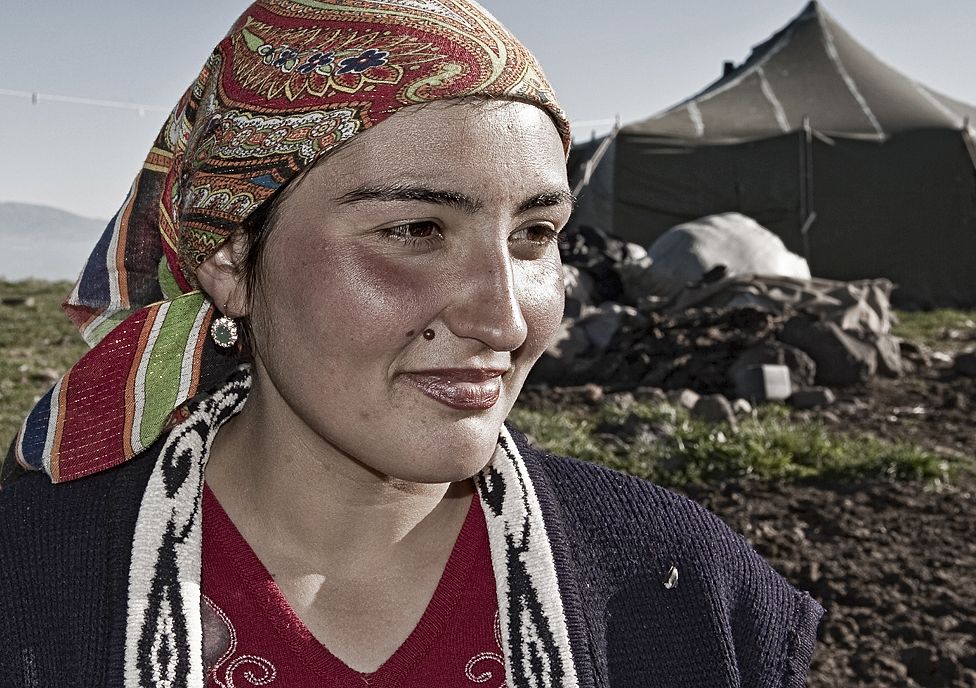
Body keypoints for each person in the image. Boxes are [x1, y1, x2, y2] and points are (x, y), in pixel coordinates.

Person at [0, 1, 822, 686]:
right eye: (415, 230)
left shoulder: (679, 593)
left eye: (535, 235)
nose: (504, 322)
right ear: (230, 258)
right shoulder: (33, 589)